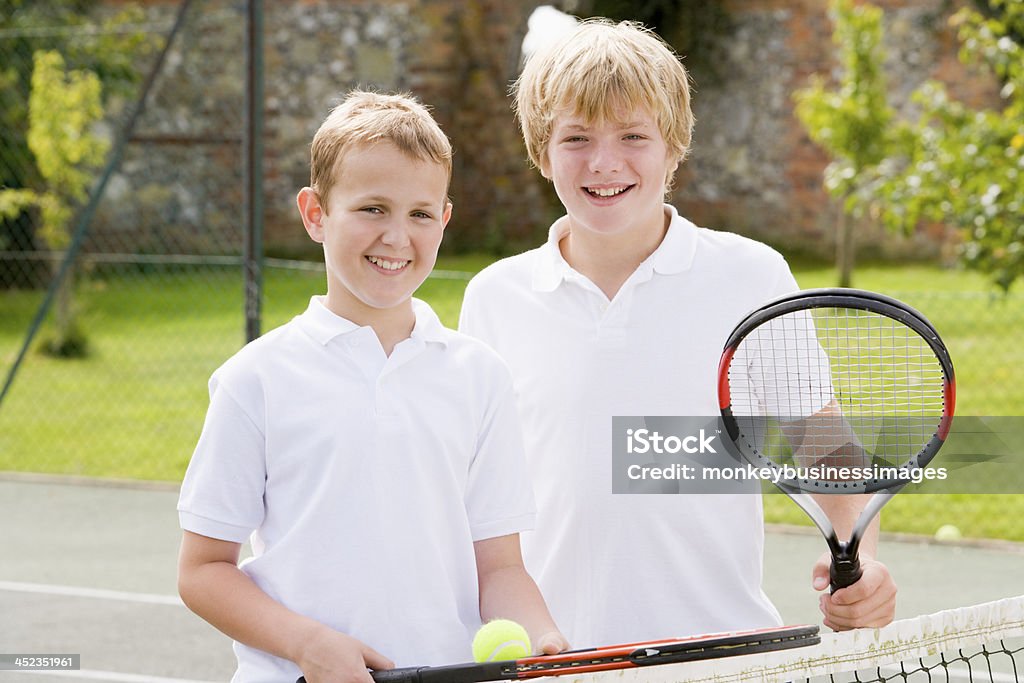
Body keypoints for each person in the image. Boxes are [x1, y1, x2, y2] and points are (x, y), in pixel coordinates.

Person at [458, 19, 897, 646]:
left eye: (633, 135)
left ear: (674, 145)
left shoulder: (752, 276)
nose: (604, 163)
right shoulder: (494, 299)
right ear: (541, 150)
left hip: (721, 652)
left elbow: (823, 442)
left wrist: (865, 557)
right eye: (575, 138)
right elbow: (476, 499)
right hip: (551, 657)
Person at [177, 90, 567, 683]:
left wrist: (543, 637)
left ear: (444, 221)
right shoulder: (254, 380)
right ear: (315, 214)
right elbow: (203, 570)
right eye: (372, 209)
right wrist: (308, 644)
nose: (396, 237)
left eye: (419, 214)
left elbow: (500, 568)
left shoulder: (480, 376)